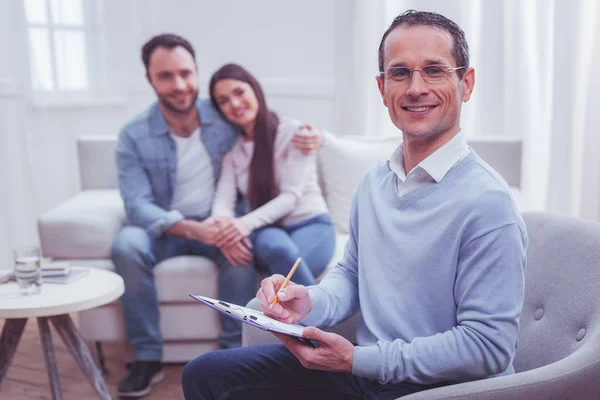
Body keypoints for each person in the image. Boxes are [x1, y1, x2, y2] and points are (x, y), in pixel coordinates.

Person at [182, 9, 527, 400]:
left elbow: (488, 347)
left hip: (438, 388)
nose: (416, 87)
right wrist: (308, 301)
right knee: (206, 374)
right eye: (400, 73)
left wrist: (357, 361)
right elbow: (352, 274)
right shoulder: (374, 183)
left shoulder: (489, 204)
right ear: (382, 89)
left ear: (466, 83)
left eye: (434, 70)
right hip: (363, 372)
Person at [112, 34, 321, 398]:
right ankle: (146, 357)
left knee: (238, 247)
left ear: (196, 72)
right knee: (127, 244)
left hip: (219, 225)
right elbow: (136, 206)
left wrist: (313, 136)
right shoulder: (133, 135)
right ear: (150, 80)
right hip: (166, 228)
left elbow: (268, 125)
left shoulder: (223, 114)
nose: (179, 85)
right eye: (166, 76)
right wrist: (195, 230)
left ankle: (232, 349)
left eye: (185, 73)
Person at [208, 63, 336, 287]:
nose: (234, 104)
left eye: (239, 92)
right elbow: (223, 203)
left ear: (254, 90)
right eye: (224, 101)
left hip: (311, 224)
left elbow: (291, 197)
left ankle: (312, 317)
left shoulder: (295, 134)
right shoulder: (233, 154)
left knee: (284, 276)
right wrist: (224, 229)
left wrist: (243, 225)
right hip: (270, 231)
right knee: (275, 247)